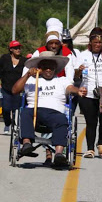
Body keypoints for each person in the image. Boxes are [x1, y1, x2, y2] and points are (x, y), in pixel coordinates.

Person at [12, 51, 86, 167]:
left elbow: (71, 88)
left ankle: (58, 154)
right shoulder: (31, 80)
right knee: (25, 112)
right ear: (39, 68)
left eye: (51, 68)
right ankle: (26, 144)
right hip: (34, 113)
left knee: (63, 119)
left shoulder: (62, 80)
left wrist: (78, 91)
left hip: (55, 114)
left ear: (55, 69)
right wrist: (27, 75)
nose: (48, 70)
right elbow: (15, 90)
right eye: (45, 67)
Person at [32, 18, 75, 163]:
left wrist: (67, 88)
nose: (54, 46)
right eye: (51, 43)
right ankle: (48, 154)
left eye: (57, 42)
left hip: (60, 90)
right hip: (42, 89)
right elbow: (29, 70)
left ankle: (56, 151)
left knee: (59, 113)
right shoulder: (39, 52)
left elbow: (70, 74)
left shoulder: (67, 53)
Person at [75, 27, 102, 159]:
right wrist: (79, 70)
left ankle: (101, 144)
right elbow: (76, 75)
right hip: (87, 93)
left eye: (100, 43)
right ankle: (90, 149)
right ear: (90, 43)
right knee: (91, 122)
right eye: (95, 43)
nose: (98, 45)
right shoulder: (83, 56)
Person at [0, 40, 26, 134]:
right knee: (6, 107)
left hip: (18, 89)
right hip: (6, 87)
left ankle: (17, 126)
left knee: (17, 108)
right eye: (16, 48)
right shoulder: (4, 58)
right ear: (11, 49)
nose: (18, 50)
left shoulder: (24, 61)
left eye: (19, 48)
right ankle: (8, 123)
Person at [62, 28, 81, 115]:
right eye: (61, 41)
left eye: (65, 41)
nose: (63, 44)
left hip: (73, 81)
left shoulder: (75, 52)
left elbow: (78, 70)